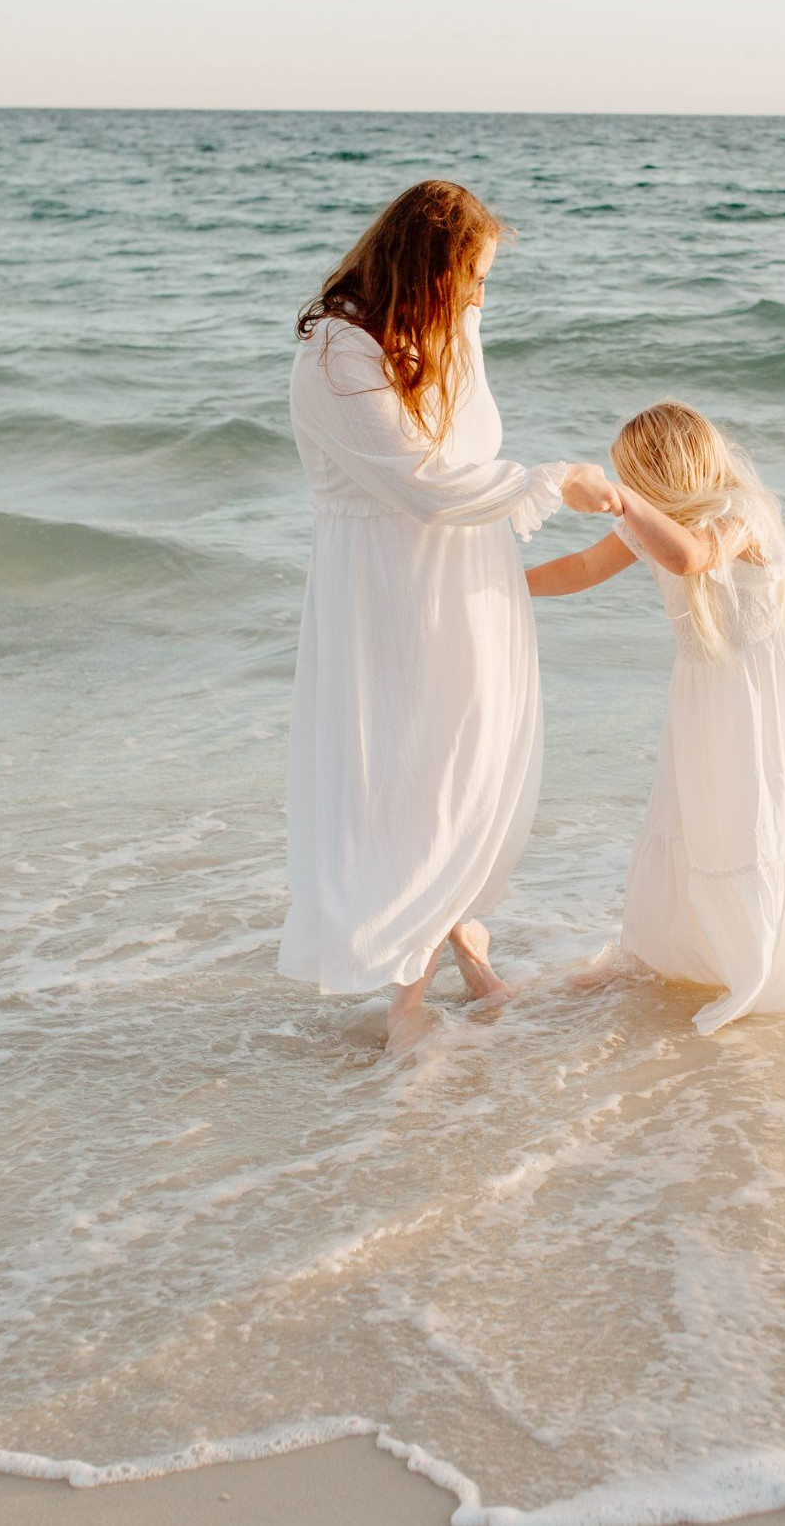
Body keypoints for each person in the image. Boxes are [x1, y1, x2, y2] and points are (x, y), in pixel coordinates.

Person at [279, 180, 619, 1053]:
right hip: (389, 586)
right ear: (425, 266)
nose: (478, 295)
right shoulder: (335, 354)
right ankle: (407, 1003)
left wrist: (463, 329)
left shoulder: (445, 329)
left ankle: (463, 944)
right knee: (416, 774)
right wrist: (553, 479)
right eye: (471, 275)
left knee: (474, 757)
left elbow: (465, 448)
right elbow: (418, 483)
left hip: (468, 570)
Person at [526, 401, 785, 1032]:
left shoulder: (741, 512)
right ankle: (682, 955)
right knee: (695, 818)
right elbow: (586, 567)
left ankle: (767, 958)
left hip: (761, 696)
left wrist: (623, 501)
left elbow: (692, 559)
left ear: (662, 474)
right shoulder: (659, 523)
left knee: (757, 816)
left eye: (638, 477)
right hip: (705, 693)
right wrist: (511, 582)